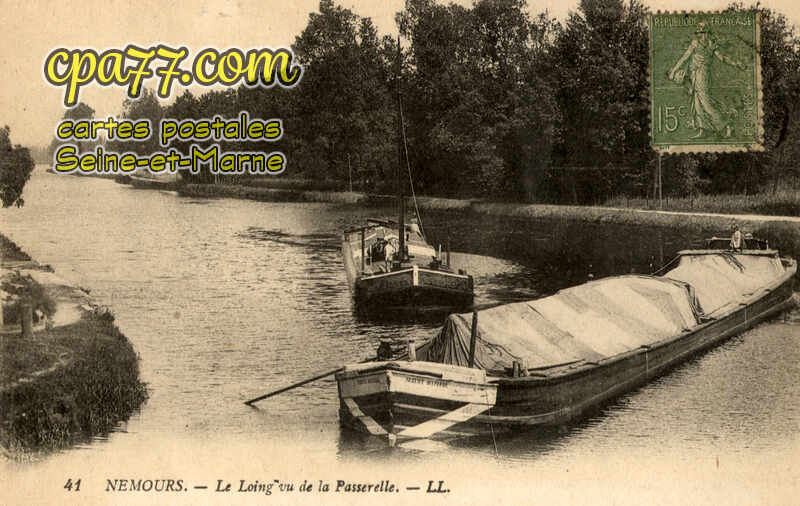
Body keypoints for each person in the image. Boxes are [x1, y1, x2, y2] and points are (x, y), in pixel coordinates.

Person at [668, 22, 747, 139]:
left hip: (704, 75)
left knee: (705, 102)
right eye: (699, 32)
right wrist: (675, 70)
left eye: (701, 32)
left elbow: (723, 58)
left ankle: (727, 124)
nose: (699, 35)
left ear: (706, 33)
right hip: (695, 74)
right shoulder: (696, 43)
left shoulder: (711, 45)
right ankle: (703, 130)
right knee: (697, 102)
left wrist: (735, 63)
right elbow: (685, 58)